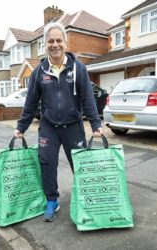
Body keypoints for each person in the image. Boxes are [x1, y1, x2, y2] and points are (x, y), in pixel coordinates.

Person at [14, 22, 102, 222]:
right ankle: (52, 200)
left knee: (79, 164)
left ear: (65, 42)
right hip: (48, 127)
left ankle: (85, 199)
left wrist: (96, 124)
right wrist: (21, 126)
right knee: (47, 163)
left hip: (73, 126)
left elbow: (88, 98)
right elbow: (30, 103)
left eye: (58, 40)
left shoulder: (78, 69)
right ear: (45, 45)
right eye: (50, 41)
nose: (55, 45)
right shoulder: (39, 72)